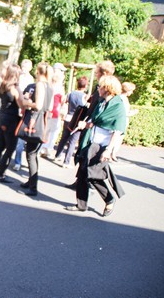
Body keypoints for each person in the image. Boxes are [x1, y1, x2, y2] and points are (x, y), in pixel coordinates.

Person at [66, 75, 126, 216]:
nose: (98, 89)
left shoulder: (118, 105)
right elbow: (95, 122)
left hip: (102, 146)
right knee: (82, 173)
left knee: (93, 175)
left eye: (101, 86)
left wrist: (109, 150)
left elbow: (117, 130)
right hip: (91, 141)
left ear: (108, 88)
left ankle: (109, 199)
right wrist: (85, 124)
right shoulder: (101, 102)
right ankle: (81, 204)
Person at [64, 61, 115, 190]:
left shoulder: (106, 89)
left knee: (87, 155)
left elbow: (100, 110)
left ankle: (89, 184)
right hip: (89, 125)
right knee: (83, 153)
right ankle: (80, 181)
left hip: (93, 127)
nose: (96, 75)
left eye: (97, 72)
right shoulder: (99, 88)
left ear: (103, 73)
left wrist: (88, 123)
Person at [19, 62, 54, 196]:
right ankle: (31, 181)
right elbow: (49, 107)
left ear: (38, 72)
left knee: (31, 154)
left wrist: (27, 103)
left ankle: (33, 186)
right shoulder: (50, 86)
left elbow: (38, 105)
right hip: (44, 122)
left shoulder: (40, 84)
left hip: (35, 120)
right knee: (33, 153)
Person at [0, 64, 24, 182]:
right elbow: (21, 104)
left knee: (0, 145)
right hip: (11, 120)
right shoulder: (14, 88)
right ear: (16, 74)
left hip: (1, 116)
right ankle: (1, 173)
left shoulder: (3, 85)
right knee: (10, 148)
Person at [53, 76, 89, 168]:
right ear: (85, 86)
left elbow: (64, 102)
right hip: (77, 119)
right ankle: (66, 161)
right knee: (72, 142)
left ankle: (57, 155)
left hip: (68, 117)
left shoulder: (70, 93)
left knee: (64, 138)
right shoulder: (84, 96)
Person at [40, 63, 66, 159]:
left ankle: (43, 147)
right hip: (55, 111)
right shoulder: (59, 87)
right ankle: (47, 148)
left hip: (48, 110)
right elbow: (62, 100)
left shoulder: (48, 84)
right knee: (54, 130)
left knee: (47, 129)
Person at [13, 59, 34, 171]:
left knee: (20, 139)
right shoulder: (17, 77)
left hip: (23, 111)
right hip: (14, 110)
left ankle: (17, 161)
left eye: (26, 67)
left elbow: (28, 96)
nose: (24, 69)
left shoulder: (31, 81)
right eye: (23, 66)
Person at [111, 82, 138, 161]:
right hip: (121, 121)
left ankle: (112, 153)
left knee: (116, 137)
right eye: (131, 91)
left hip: (119, 120)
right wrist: (133, 112)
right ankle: (112, 154)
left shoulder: (118, 97)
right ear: (127, 90)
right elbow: (124, 112)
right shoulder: (123, 99)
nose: (132, 92)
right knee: (118, 138)